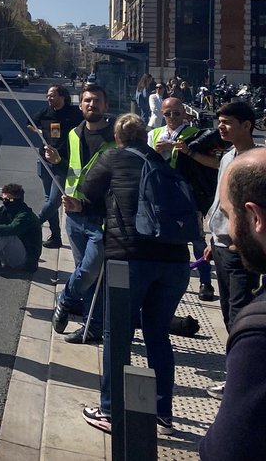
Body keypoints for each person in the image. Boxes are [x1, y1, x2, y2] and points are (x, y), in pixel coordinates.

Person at [73, 113, 190, 437]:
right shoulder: (161, 161)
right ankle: (162, 414)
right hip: (175, 261)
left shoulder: (113, 156)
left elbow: (88, 192)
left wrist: (86, 206)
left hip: (131, 259)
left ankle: (110, 410)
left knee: (118, 334)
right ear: (144, 137)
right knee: (158, 335)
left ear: (119, 136)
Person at [199, 148, 266, 460]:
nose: (228, 234)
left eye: (228, 217)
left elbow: (226, 451)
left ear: (255, 218)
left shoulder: (258, 332)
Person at [200, 101, 262, 399]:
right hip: (221, 245)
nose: (221, 127)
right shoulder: (226, 157)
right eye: (219, 122)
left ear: (247, 126)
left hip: (241, 251)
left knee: (240, 316)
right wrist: (214, 236)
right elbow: (219, 201)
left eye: (227, 123)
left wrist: (242, 241)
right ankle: (236, 376)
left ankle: (241, 382)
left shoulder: (255, 162)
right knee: (227, 312)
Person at [48, 84, 116, 344]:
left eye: (97, 101)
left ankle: (65, 300)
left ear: (106, 106)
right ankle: (93, 326)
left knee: (89, 271)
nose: (92, 105)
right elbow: (72, 168)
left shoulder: (114, 138)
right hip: (74, 217)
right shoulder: (74, 134)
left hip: (102, 217)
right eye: (87, 100)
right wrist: (57, 161)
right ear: (80, 105)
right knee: (86, 273)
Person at [152, 97, 218, 301]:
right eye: (167, 114)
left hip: (189, 194)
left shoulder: (195, 134)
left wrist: (185, 149)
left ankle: (205, 283)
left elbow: (213, 162)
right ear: (162, 115)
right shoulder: (154, 134)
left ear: (184, 113)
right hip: (163, 194)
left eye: (176, 113)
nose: (172, 117)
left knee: (197, 238)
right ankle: (162, 279)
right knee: (162, 238)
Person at [28, 84, 83, 250]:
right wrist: (40, 132)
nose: (49, 98)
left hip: (64, 162)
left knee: (54, 201)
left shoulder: (73, 113)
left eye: (52, 95)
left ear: (62, 96)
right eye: (47, 96)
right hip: (45, 161)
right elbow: (29, 123)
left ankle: (32, 224)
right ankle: (55, 237)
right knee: (47, 198)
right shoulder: (45, 113)